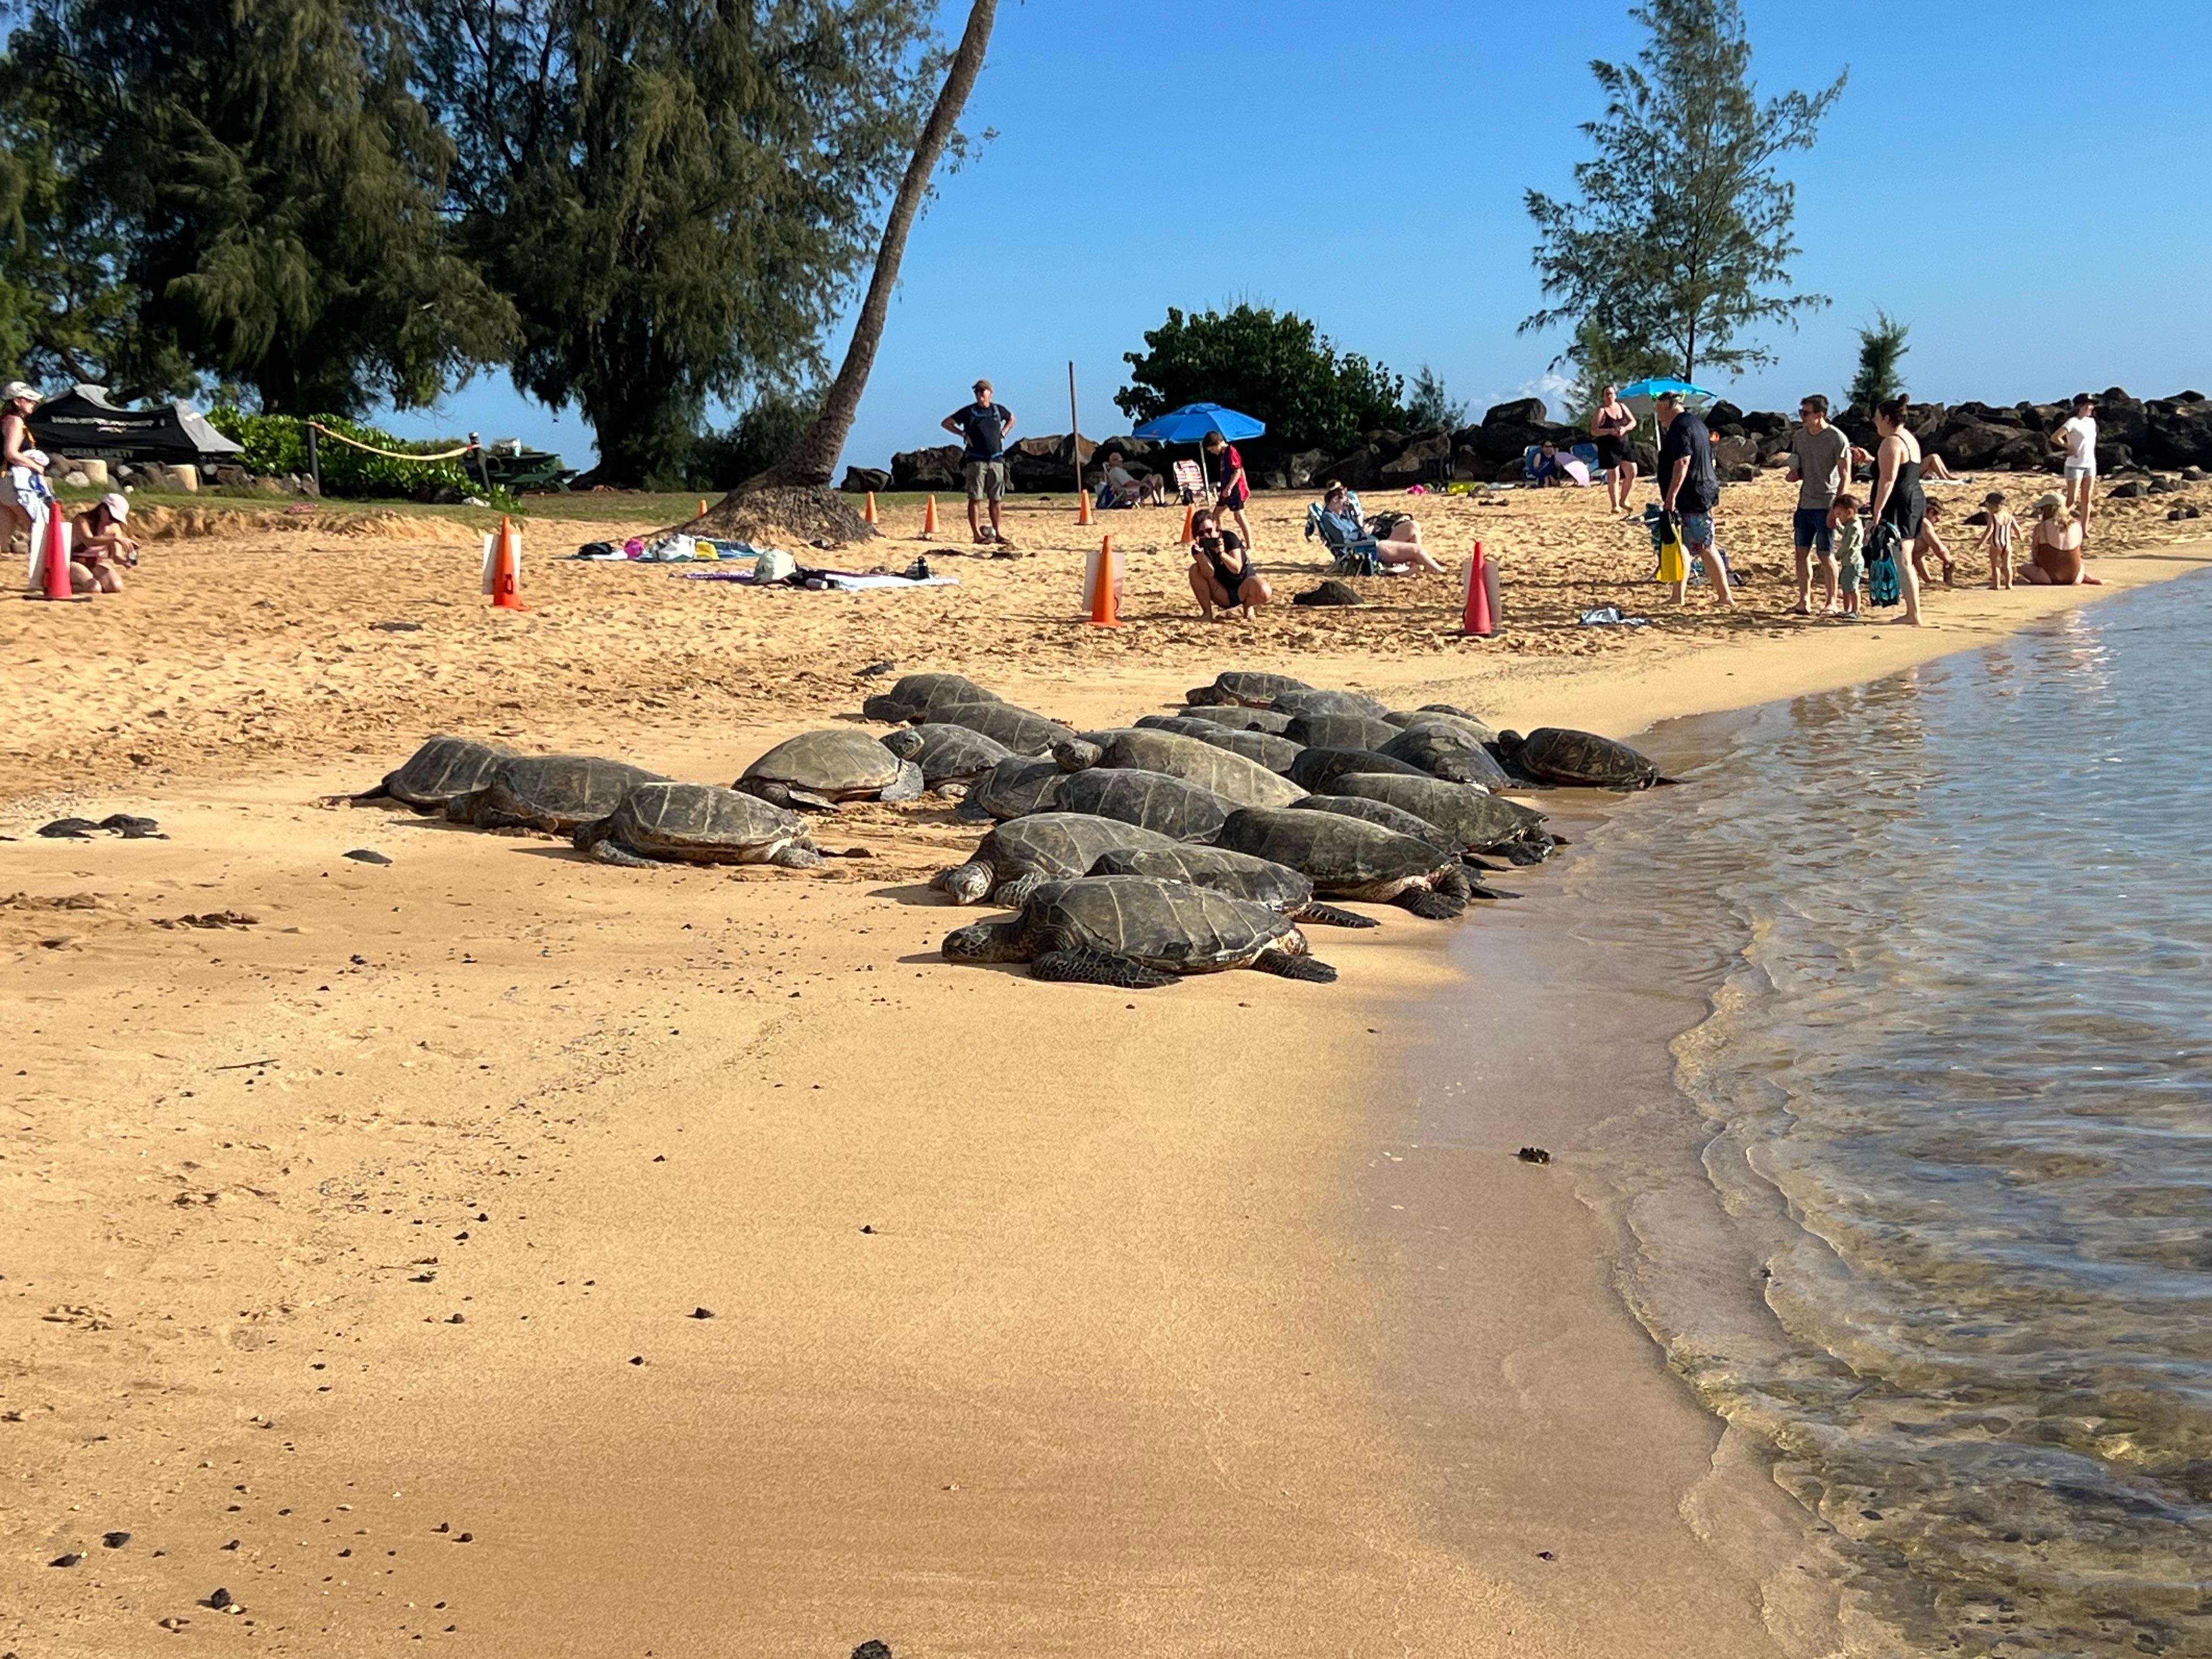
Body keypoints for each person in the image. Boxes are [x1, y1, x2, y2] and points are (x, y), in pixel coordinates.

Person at [1656, 390, 1733, 607]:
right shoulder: (1697, 424)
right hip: (1699, 491)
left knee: (1706, 545)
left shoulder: (1681, 427)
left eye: (1660, 410)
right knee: (1684, 547)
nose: (1660, 416)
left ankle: (1725, 596)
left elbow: (1683, 462)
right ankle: (1677, 595)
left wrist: (1671, 496)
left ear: (1668, 406)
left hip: (1693, 495)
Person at [1785, 393, 1853, 616]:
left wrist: (1837, 508)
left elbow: (1845, 476)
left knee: (1825, 554)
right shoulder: (1800, 437)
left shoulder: (1837, 438)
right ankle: (1804, 601)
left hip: (1827, 503)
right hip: (1805, 503)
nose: (1802, 416)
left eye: (1806, 413)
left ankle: (1831, 601)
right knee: (1801, 553)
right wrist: (1795, 475)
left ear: (1820, 414)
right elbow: (1800, 467)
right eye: (1800, 412)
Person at [1867, 394, 1927, 625]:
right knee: (1906, 557)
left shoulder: (1891, 441)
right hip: (1914, 497)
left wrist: (1877, 511)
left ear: (1888, 419)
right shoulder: (1909, 439)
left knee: (1902, 559)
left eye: (1877, 418)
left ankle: (1914, 614)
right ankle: (1913, 612)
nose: (1875, 423)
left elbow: (1888, 480)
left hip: (1899, 501)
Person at [940, 377, 1015, 546]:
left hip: (996, 459)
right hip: (976, 461)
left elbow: (1012, 418)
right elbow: (946, 423)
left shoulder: (998, 410)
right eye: (977, 391)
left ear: (990, 393)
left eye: (982, 391)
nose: (979, 394)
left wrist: (1004, 431)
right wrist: (962, 434)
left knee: (996, 499)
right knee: (975, 498)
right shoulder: (969, 412)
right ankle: (976, 535)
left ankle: (998, 533)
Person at [1188, 507, 1268, 620]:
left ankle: (1248, 606)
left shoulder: (1229, 538)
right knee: (1195, 569)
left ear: (1215, 525)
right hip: (1222, 592)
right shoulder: (1200, 548)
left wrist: (1222, 554)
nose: (1207, 535)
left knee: (1264, 591)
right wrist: (1201, 558)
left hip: (1243, 585)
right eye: (1201, 533)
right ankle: (1207, 613)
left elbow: (1237, 569)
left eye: (1209, 530)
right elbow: (1209, 574)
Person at [2, 379, 47, 560]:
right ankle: (41, 576)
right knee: (37, 526)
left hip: (4, 482)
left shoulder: (6, 420)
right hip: (12, 483)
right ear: (17, 401)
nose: (33, 403)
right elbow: (11, 453)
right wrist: (35, 465)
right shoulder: (15, 422)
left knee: (3, 533)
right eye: (28, 399)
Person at [2022, 491, 2100, 585]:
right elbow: (2079, 552)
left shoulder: (2041, 527)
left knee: (2024, 568)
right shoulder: (2077, 526)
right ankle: (2084, 576)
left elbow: (2035, 553)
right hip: (2075, 577)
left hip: (2048, 577)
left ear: (2047, 510)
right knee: (2077, 563)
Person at [2050, 393, 2097, 545]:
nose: (2091, 407)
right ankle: (2058, 524)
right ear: (2081, 406)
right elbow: (2055, 437)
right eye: (2088, 404)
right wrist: (2068, 446)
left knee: (2087, 498)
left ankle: (2084, 530)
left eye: (2092, 404)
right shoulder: (2073, 422)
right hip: (2075, 464)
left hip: (2090, 464)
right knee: (2072, 499)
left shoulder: (2091, 422)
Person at [67, 492, 137, 593]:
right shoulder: (82, 520)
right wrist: (115, 538)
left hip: (95, 562)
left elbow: (116, 557)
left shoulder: (114, 528)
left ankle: (82, 583)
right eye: (112, 517)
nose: (113, 521)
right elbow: (89, 541)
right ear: (102, 509)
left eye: (117, 520)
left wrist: (125, 561)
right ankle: (66, 585)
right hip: (74, 561)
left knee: (116, 587)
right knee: (94, 588)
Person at [1590, 384, 1639, 512]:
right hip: (1609, 446)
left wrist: (1625, 429)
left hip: (1624, 444)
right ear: (1603, 397)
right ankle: (1615, 505)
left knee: (1632, 470)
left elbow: (1633, 422)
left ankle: (1624, 499)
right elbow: (1594, 431)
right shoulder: (1601, 411)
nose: (1610, 396)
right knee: (1614, 474)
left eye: (1612, 393)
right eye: (1607, 394)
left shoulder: (1622, 407)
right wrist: (1610, 431)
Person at [1201, 430, 1253, 546]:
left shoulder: (1231, 451)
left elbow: (1238, 471)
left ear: (1218, 443)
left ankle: (1250, 545)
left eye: (1212, 449)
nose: (1212, 452)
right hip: (1226, 490)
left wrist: (1230, 487)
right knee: (1216, 514)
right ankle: (1222, 540)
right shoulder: (1223, 454)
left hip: (1235, 490)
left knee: (1239, 516)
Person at [1829, 494, 1866, 618]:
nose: (1838, 517)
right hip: (1847, 561)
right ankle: (1847, 609)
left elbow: (1848, 545)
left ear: (1849, 512)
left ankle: (1855, 611)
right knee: (1845, 586)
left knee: (1853, 587)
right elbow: (1846, 533)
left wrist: (1837, 555)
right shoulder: (1850, 524)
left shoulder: (1855, 526)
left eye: (1839, 514)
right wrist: (1838, 527)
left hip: (1854, 561)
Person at [1910, 496, 1957, 589]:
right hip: (1897, 562)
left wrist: (1928, 581)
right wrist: (1950, 562)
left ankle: (1927, 580)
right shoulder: (1924, 524)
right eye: (1937, 515)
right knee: (1924, 547)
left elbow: (1917, 558)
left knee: (1922, 548)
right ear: (1931, 512)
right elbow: (1939, 549)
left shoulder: (1913, 519)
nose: (1939, 520)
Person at [1977, 490, 2018, 590]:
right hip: (2007, 544)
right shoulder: (2009, 516)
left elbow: (1990, 530)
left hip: (1996, 543)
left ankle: (1996, 584)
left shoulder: (1993, 517)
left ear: (1992, 507)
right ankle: (2009, 584)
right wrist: (2019, 536)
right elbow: (2017, 528)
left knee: (1995, 565)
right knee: (2007, 565)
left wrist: (1980, 543)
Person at [1099, 449, 1164, 507]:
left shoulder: (1114, 471)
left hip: (1131, 489)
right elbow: (1127, 483)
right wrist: (1142, 484)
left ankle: (1157, 501)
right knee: (1158, 477)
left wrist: (1141, 483)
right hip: (1132, 491)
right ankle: (1161, 501)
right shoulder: (1116, 471)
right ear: (1114, 461)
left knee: (1149, 476)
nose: (1121, 462)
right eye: (1120, 460)